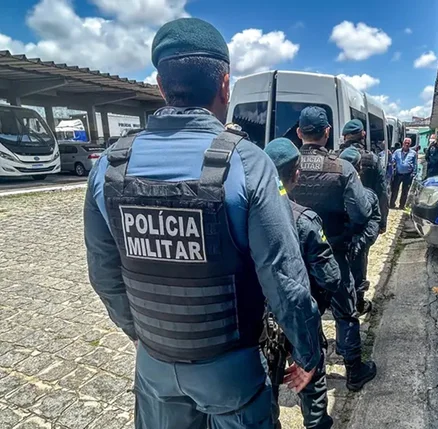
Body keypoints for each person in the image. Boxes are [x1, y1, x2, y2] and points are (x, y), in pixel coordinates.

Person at [83, 18, 322, 429]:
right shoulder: (247, 163)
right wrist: (307, 352)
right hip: (231, 369)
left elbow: (104, 273)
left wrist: (142, 335)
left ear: (160, 85)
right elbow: (285, 278)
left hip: (155, 367)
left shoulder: (109, 166)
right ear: (225, 84)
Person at [290, 106, 377, 392]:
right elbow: (362, 213)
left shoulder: (283, 165)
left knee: (304, 311)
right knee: (345, 312)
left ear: (299, 133)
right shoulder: (343, 168)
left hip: (295, 257)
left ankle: (310, 369)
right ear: (327, 133)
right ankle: (354, 370)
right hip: (333, 254)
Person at [263, 137, 339, 429]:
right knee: (311, 378)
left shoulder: (243, 214)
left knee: (266, 390)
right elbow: (330, 277)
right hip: (299, 315)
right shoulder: (305, 220)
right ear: (296, 173)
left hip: (261, 325)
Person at [339, 147, 381, 315]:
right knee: (357, 277)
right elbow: (374, 223)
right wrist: (361, 242)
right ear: (359, 168)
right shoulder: (368, 195)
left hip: (346, 243)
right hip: (353, 244)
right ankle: (357, 304)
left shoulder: (330, 191)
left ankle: (356, 304)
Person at [339, 119, 389, 234]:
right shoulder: (373, 159)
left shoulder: (334, 157)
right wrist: (382, 222)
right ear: (363, 135)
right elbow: (382, 191)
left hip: (339, 220)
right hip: (364, 216)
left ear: (344, 136)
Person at [390, 137, 417, 209]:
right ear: (403, 143)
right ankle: (392, 204)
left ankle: (402, 205)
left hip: (408, 175)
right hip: (398, 174)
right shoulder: (397, 152)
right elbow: (392, 159)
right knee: (395, 190)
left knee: (405, 191)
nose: (407, 144)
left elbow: (415, 164)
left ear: (410, 144)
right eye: (406, 143)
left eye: (408, 143)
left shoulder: (413, 153)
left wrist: (413, 173)